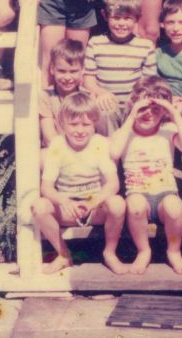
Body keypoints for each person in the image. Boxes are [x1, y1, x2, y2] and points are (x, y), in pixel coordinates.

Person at [32, 92, 128, 274]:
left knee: (117, 203)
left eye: (86, 124)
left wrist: (95, 201)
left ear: (95, 124)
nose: (80, 130)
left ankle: (110, 253)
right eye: (74, 124)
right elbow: (46, 187)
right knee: (39, 207)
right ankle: (63, 254)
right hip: (67, 208)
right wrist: (64, 201)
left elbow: (113, 184)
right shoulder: (57, 145)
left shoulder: (100, 143)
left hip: (94, 206)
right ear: (62, 124)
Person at [109, 77, 182, 275]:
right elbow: (113, 152)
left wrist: (172, 112)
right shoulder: (126, 133)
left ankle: (174, 251)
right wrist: (131, 116)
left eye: (156, 110)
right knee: (136, 206)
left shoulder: (168, 131)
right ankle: (143, 251)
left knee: (175, 207)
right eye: (143, 109)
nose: (148, 114)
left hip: (165, 193)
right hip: (138, 193)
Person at [82, 0, 157, 134]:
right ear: (105, 16)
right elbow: (88, 80)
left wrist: (135, 98)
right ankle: (110, 153)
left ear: (136, 18)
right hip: (107, 105)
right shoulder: (95, 43)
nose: (121, 24)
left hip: (134, 103)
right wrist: (100, 92)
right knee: (105, 111)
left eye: (127, 18)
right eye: (116, 18)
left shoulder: (145, 46)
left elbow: (149, 83)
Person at [39, 39, 87, 147]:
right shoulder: (46, 97)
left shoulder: (87, 97)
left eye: (73, 71)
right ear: (52, 69)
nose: (67, 77)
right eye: (61, 71)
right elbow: (49, 137)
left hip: (83, 151)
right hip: (57, 150)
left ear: (82, 70)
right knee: (42, 157)